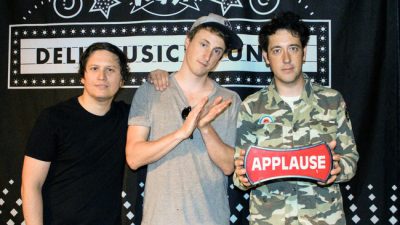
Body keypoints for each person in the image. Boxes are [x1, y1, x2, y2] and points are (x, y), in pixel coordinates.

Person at [233, 11, 359, 224]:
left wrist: (337, 169)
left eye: (293, 48)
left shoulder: (332, 100)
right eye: (276, 50)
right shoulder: (251, 107)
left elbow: (350, 159)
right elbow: (240, 174)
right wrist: (243, 177)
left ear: (304, 52)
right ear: (266, 57)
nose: (286, 59)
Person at [126, 13, 243, 225]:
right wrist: (182, 133)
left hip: (211, 219)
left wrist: (205, 128)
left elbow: (228, 166)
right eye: (203, 44)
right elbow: (134, 158)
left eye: (217, 50)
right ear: (188, 42)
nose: (208, 55)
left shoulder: (229, 100)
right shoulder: (151, 90)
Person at [21, 42, 130, 225]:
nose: (102, 76)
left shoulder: (129, 117)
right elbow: (31, 185)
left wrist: (156, 76)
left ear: (122, 80)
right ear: (83, 76)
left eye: (110, 70)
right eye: (94, 68)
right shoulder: (54, 118)